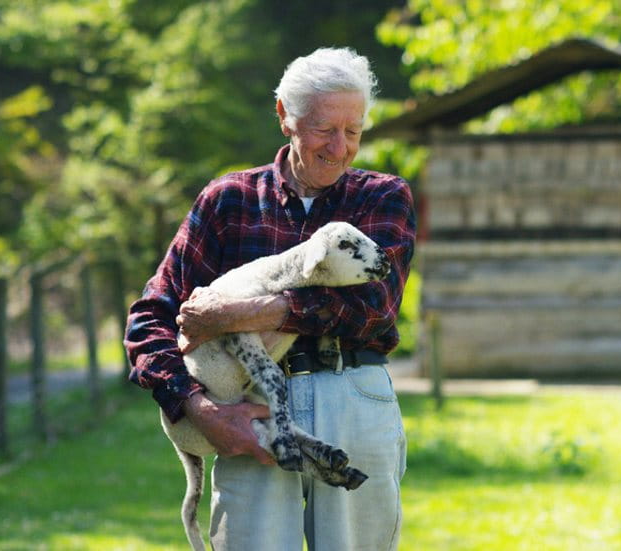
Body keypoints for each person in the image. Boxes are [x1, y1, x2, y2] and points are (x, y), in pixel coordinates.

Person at [125, 47, 416, 550]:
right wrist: (197, 409)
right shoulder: (228, 200)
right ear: (285, 116)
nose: (340, 147)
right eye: (325, 128)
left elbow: (373, 304)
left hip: (352, 398)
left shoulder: (382, 197)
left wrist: (242, 314)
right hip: (246, 410)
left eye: (354, 131)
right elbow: (151, 316)